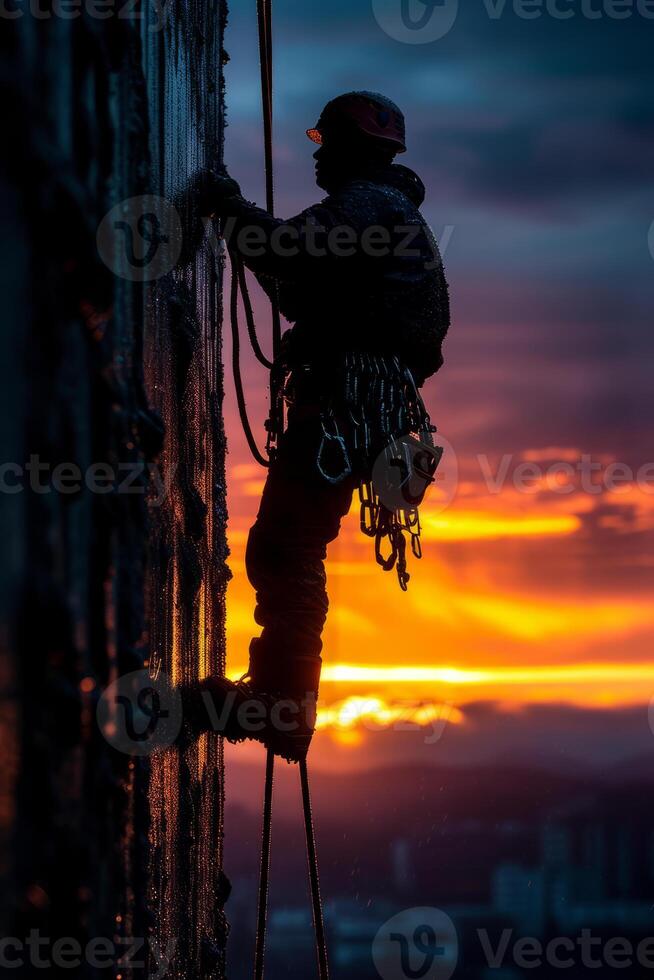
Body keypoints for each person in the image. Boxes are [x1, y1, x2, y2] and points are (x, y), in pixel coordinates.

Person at [181, 91, 450, 762]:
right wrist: (246, 228)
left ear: (351, 148)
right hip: (378, 411)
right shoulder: (388, 213)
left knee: (285, 548)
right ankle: (280, 701)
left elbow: (289, 252)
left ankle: (279, 706)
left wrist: (227, 206)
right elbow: (298, 285)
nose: (317, 156)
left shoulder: (370, 204)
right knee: (292, 547)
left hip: (350, 405)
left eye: (325, 143)